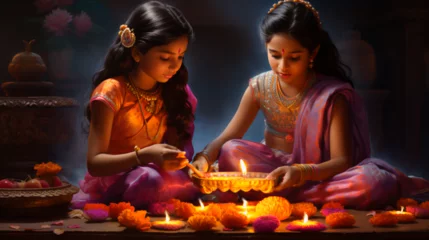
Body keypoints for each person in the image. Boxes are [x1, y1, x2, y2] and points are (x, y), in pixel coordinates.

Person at [190, 0, 429, 210]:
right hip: (272, 170)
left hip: (320, 176)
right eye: (275, 55)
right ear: (266, 48)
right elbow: (229, 136)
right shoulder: (259, 87)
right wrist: (204, 157)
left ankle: (280, 195)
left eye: (294, 58)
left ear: (312, 52)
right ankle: (291, 194)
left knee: (373, 183)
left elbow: (341, 161)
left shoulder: (331, 95)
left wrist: (302, 172)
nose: (283, 66)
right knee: (232, 150)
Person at [71, 1, 199, 209]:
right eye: (165, 57)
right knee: (148, 179)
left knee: (190, 183)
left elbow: (177, 150)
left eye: (180, 56)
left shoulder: (175, 92)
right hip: (115, 179)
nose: (175, 66)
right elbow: (94, 164)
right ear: (137, 52)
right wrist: (144, 156)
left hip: (155, 173)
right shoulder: (111, 91)